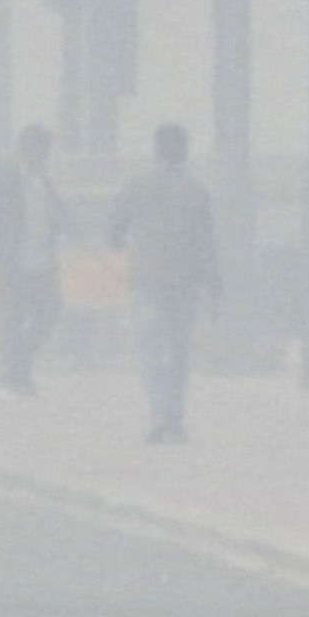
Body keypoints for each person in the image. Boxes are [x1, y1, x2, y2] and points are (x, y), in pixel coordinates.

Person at [107, 122, 222, 444]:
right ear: (185, 151)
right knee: (180, 350)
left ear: (156, 149)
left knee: (149, 349)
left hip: (148, 279)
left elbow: (115, 227)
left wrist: (118, 242)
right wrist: (214, 282)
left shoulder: (137, 186)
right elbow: (207, 242)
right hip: (186, 281)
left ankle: (159, 414)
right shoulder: (198, 191)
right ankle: (175, 414)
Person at [0, 124, 71, 396]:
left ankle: (19, 366)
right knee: (13, 317)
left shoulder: (43, 179)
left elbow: (56, 211)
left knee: (51, 310)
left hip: (43, 259)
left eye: (46, 152)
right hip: (12, 259)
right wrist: (5, 219)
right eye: (40, 150)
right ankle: (17, 374)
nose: (44, 157)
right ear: (25, 149)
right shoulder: (6, 173)